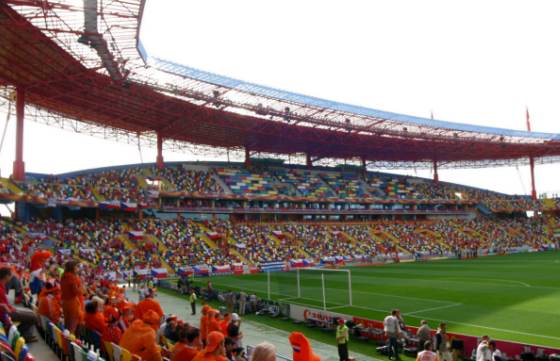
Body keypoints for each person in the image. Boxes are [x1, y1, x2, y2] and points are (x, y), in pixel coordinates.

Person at [0, 267, 39, 342]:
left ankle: (24, 335)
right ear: (6, 276)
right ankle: (22, 336)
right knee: (33, 317)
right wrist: (8, 309)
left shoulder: (3, 285)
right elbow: (4, 305)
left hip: (8, 310)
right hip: (6, 313)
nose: (12, 276)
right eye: (10, 274)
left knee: (31, 314)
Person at [60, 260, 85, 334]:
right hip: (72, 303)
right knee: (72, 325)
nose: (78, 268)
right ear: (73, 268)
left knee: (67, 323)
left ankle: (66, 341)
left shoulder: (63, 276)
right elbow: (76, 291)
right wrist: (82, 288)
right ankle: (70, 342)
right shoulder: (72, 277)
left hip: (65, 302)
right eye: (77, 266)